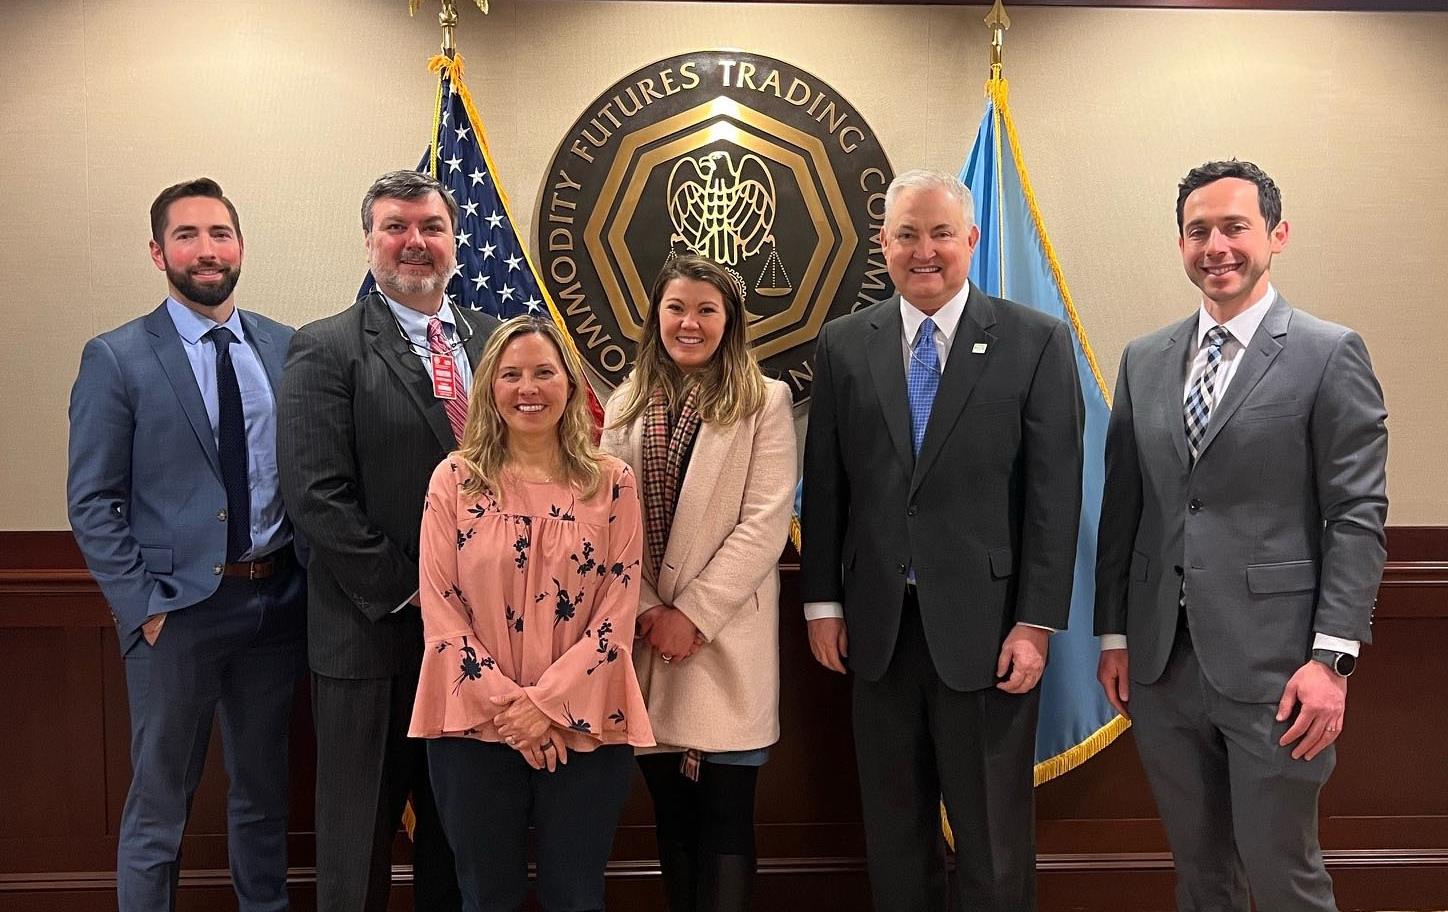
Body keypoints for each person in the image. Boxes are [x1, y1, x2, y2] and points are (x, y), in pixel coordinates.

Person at [1095, 159, 1388, 911]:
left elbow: (1356, 516)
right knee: (1201, 878)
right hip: (1162, 669)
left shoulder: (1329, 353)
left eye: (1234, 227)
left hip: (1279, 671)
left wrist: (1333, 660)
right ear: (1181, 243)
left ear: (1276, 235)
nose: (1216, 246)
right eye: (1198, 231)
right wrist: (1114, 638)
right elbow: (1126, 510)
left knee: (1283, 875)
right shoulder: (1144, 359)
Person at [799, 169, 1083, 912]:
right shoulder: (843, 344)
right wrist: (822, 603)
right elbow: (827, 485)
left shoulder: (1034, 341)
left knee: (992, 836)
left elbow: (1055, 498)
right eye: (906, 235)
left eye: (940, 234)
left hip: (991, 634)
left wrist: (1036, 621)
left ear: (971, 240)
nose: (924, 251)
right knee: (895, 832)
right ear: (883, 244)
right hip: (876, 631)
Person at [67, 178, 306, 912]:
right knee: (161, 805)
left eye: (220, 234)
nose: (207, 251)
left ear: (240, 245)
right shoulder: (118, 357)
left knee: (265, 797)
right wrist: (142, 607)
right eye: (187, 236)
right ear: (157, 251)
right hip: (177, 613)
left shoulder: (285, 347)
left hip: (278, 602)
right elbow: (92, 500)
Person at [277, 170, 496, 912]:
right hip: (373, 636)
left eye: (431, 227)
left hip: (485, 641)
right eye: (396, 227)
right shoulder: (327, 347)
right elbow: (316, 497)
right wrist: (418, 594)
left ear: (455, 242)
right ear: (369, 239)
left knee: (459, 831)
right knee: (356, 840)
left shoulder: (492, 341)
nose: (415, 243)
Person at [408, 314, 653, 911]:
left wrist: (544, 708)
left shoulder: (612, 483)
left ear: (570, 384)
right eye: (511, 374)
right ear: (490, 386)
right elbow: (442, 613)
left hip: (584, 725)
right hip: (472, 725)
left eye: (544, 373)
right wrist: (513, 713)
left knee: (576, 897)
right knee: (487, 898)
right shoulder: (454, 481)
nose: (529, 388)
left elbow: (615, 615)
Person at [600, 256, 797, 912]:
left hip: (723, 644)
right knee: (672, 822)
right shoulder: (624, 402)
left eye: (706, 310)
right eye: (676, 308)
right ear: (656, 315)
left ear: (730, 322)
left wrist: (693, 614)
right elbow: (609, 522)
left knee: (725, 822)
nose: (689, 322)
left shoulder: (763, 400)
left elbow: (765, 525)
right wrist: (654, 610)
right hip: (647, 640)